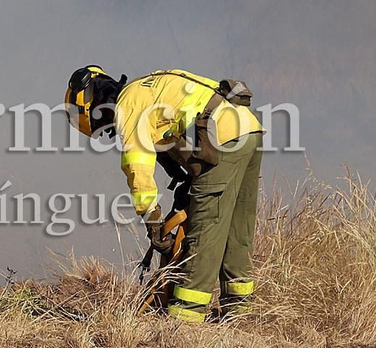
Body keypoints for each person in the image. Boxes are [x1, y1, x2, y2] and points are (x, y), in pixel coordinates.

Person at [66, 66, 265, 323]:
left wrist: (152, 219)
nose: (109, 130)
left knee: (205, 231)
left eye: (102, 127)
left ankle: (185, 317)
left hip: (223, 136)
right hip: (248, 129)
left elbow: (137, 167)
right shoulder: (146, 89)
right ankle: (240, 314)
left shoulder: (128, 105)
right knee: (237, 229)